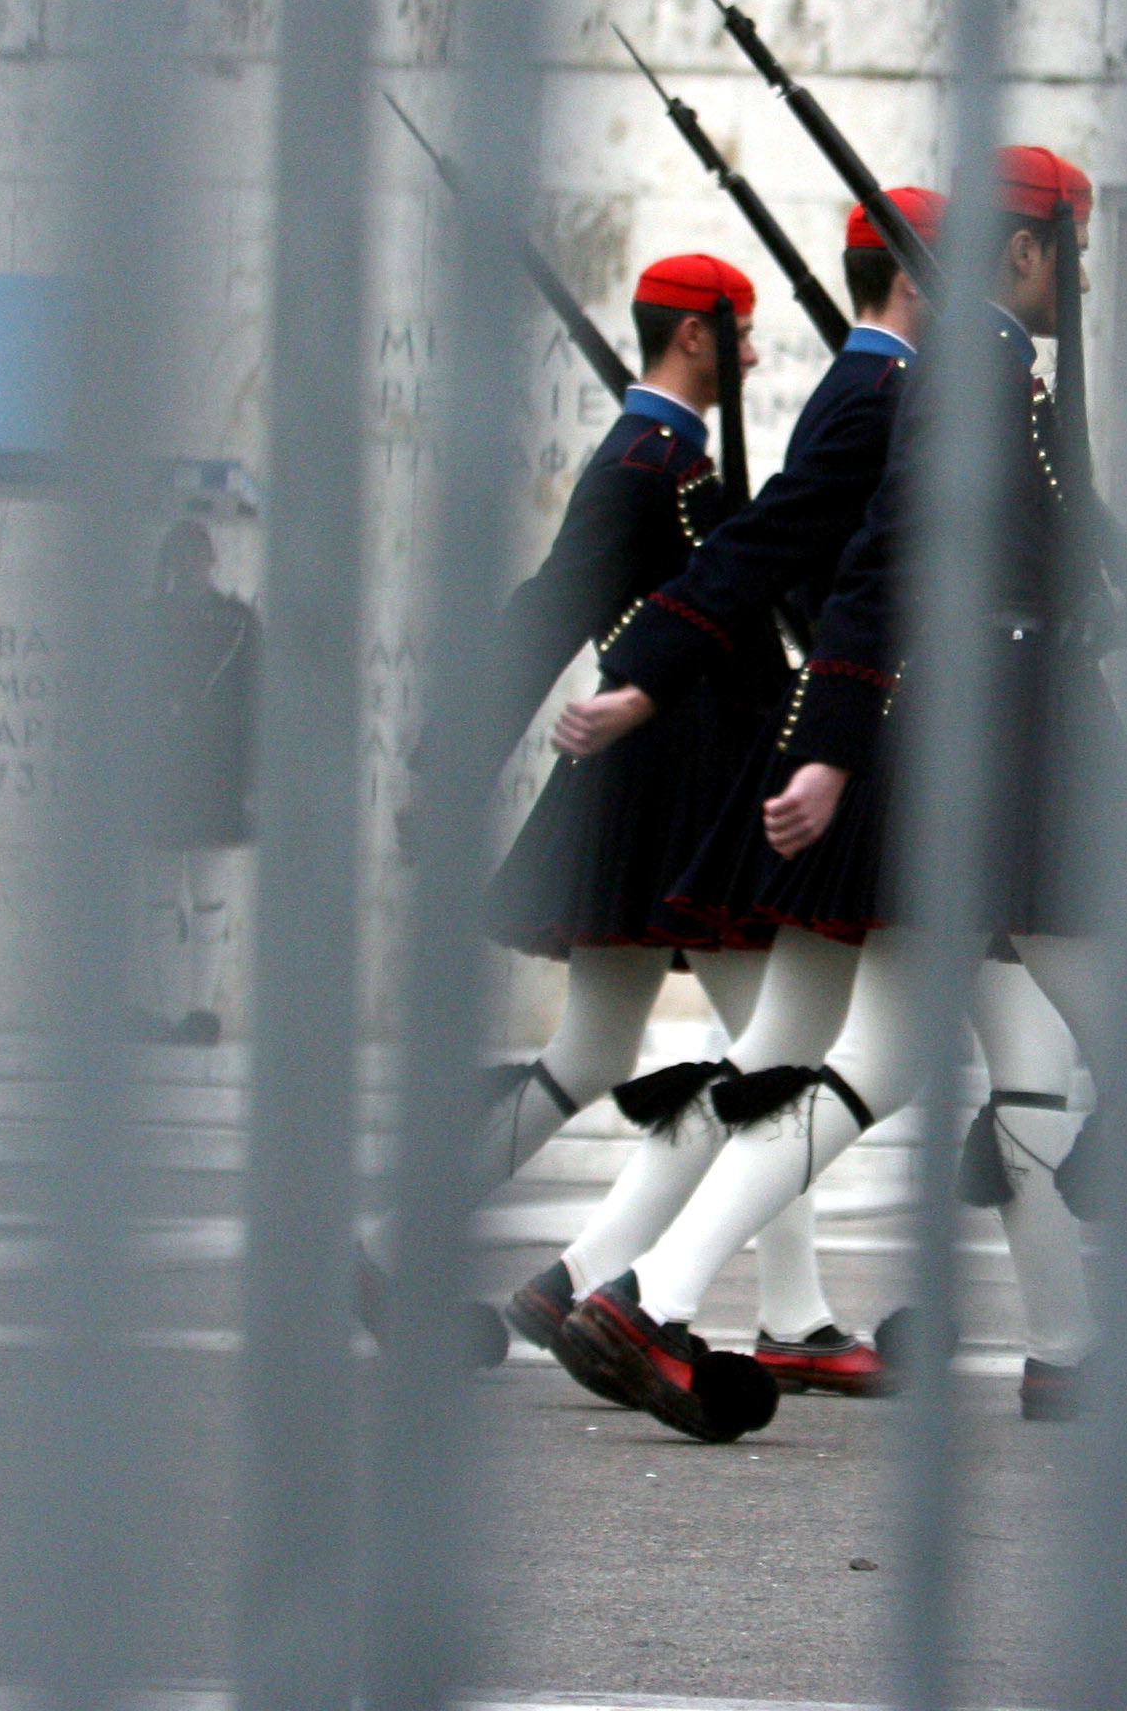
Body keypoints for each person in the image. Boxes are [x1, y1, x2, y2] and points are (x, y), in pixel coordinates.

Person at [552, 148, 1127, 1452]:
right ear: (1022, 252)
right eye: (1076, 250)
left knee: (876, 1054)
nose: (1086, 277)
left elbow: (856, 536)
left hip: (975, 721)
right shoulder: (966, 376)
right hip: (1010, 737)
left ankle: (648, 1294)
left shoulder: (983, 373)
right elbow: (862, 559)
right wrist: (802, 738)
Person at [526, 190, 1111, 1437]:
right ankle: (634, 1288)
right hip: (882, 758)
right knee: (893, 1057)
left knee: (823, 1054)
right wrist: (663, 681)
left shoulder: (932, 382)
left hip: (859, 747)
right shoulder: (890, 389)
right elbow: (805, 560)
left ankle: (620, 1283)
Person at [364, 253, 860, 1395]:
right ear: (694, 337)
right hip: (677, 792)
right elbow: (550, 606)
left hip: (665, 789)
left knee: (597, 1051)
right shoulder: (642, 465)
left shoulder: (673, 458)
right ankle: (783, 1310)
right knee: (776, 1056)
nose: (750, 357)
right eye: (737, 337)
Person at [137, 520, 258, 1044]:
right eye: (180, 556)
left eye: (197, 556)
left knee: (209, 899)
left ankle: (201, 1012)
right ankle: (167, 1013)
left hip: (217, 774)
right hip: (162, 773)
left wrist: (255, 779)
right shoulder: (144, 623)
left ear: (211, 561)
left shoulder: (238, 624)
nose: (190, 566)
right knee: (160, 900)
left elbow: (259, 707)